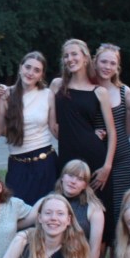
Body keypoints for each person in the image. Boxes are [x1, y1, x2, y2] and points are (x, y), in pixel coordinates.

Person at [22, 160, 105, 258]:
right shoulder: (48, 201)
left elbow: (95, 249)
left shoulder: (93, 208)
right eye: (71, 175)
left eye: (80, 179)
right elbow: (25, 222)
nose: (73, 181)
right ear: (62, 177)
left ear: (85, 185)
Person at [50, 39, 116, 205]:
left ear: (85, 58)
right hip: (67, 156)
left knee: (98, 206)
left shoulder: (99, 92)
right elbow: (51, 123)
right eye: (66, 56)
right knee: (66, 207)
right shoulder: (57, 85)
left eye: (74, 54)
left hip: (95, 158)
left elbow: (112, 132)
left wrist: (107, 167)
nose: (70, 59)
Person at [0, 51, 58, 205]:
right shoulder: (7, 95)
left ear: (41, 75)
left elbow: (54, 128)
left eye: (36, 70)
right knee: (17, 210)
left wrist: (86, 133)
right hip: (18, 165)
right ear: (20, 68)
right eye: (28, 67)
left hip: (45, 164)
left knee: (47, 210)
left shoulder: (47, 94)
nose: (30, 73)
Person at [93, 44, 130, 258]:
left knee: (120, 211)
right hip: (96, 159)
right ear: (95, 61)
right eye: (104, 61)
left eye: (112, 63)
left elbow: (128, 128)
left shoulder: (123, 91)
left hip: (123, 159)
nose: (107, 66)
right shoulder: (86, 88)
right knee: (100, 212)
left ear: (117, 67)